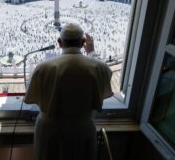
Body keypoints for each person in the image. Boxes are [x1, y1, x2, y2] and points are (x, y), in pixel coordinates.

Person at [24, 23, 113, 160]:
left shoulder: (42, 68)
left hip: (49, 131)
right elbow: (106, 72)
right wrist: (91, 52)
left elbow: (33, 98)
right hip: (82, 130)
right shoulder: (97, 67)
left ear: (59, 43)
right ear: (83, 43)